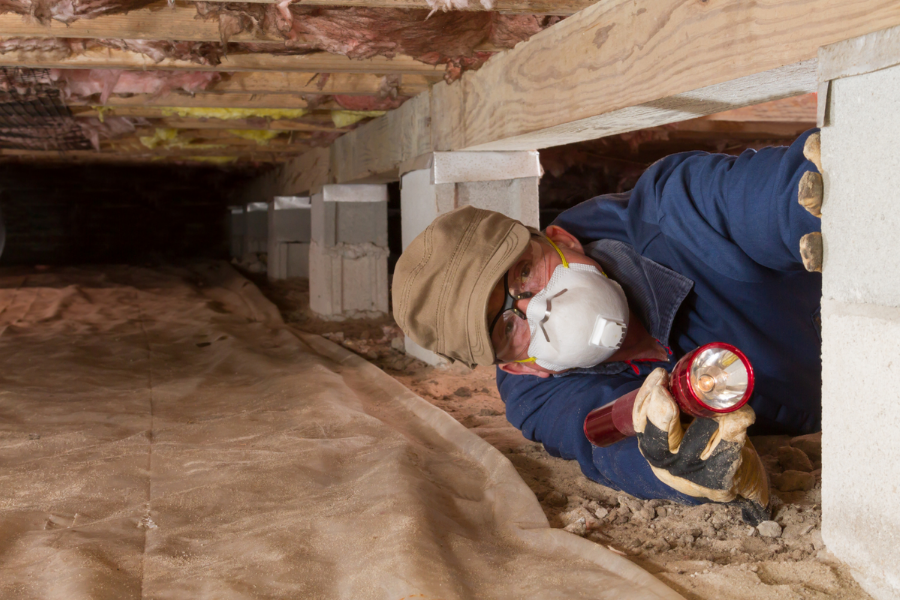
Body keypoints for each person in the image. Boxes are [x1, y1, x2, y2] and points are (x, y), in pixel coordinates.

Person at [392, 129, 824, 524]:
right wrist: (669, 465)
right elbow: (601, 442)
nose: (537, 308)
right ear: (520, 368)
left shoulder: (673, 213)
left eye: (524, 275)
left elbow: (761, 197)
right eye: (507, 328)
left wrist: (818, 194)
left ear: (561, 240)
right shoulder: (538, 399)